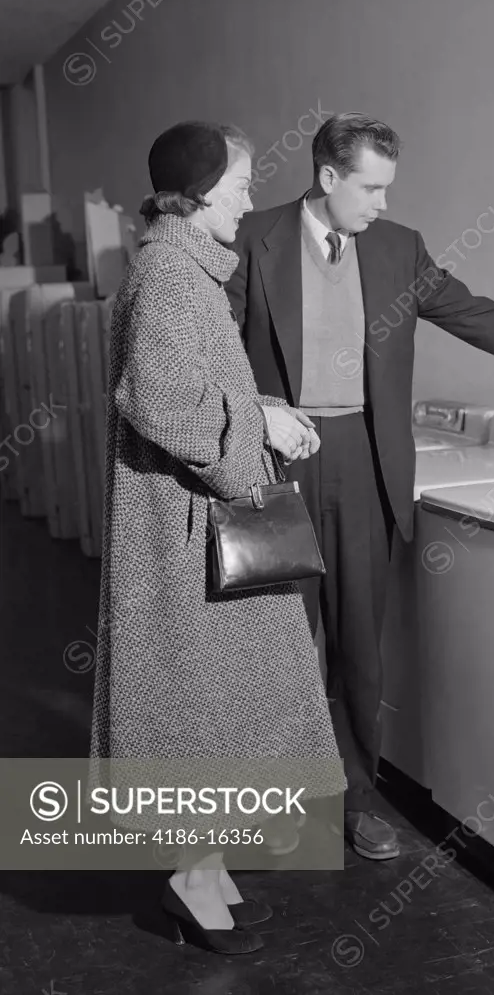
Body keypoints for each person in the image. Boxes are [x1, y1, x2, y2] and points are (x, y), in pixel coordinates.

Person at [225, 112, 494, 861]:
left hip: (366, 459)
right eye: (371, 187)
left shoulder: (398, 249)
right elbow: (215, 346)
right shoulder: (251, 239)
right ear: (328, 178)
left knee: (361, 649)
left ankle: (353, 803)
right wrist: (259, 409)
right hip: (277, 462)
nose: (383, 203)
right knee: (279, 650)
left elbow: (476, 315)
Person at [89, 120, 343, 955]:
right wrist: (255, 442)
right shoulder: (169, 274)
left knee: (218, 709)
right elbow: (156, 402)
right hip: (183, 533)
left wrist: (262, 411)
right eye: (236, 184)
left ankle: (207, 865)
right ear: (193, 196)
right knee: (194, 711)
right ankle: (187, 880)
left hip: (197, 523)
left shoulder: (183, 269)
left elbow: (192, 389)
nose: (246, 198)